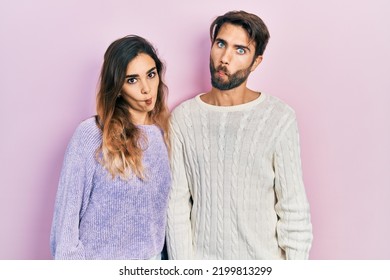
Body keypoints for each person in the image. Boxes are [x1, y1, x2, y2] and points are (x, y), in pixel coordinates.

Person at [166, 10, 313, 260]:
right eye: (220, 44)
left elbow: (293, 210)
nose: (225, 58)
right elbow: (176, 207)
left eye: (240, 50)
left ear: (256, 62)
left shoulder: (278, 117)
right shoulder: (183, 118)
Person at [50, 35, 171, 259]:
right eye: (132, 80)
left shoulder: (165, 137)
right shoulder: (92, 135)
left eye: (151, 75)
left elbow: (161, 226)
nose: (146, 89)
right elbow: (65, 227)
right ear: (116, 88)